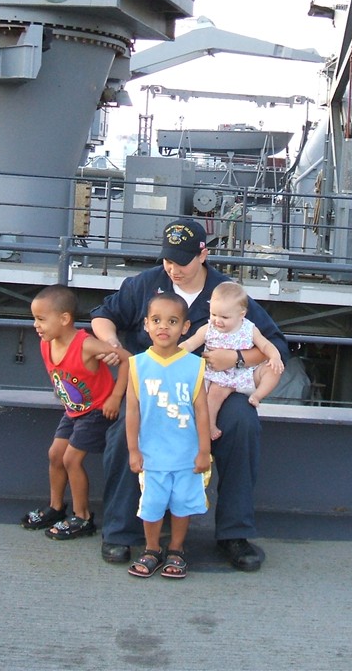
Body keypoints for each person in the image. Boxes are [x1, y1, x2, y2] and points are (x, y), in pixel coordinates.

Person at [91, 218, 289, 572]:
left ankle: (234, 533)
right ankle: (120, 531)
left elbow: (275, 346)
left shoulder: (226, 292)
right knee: (124, 433)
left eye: (182, 262)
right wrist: (112, 343)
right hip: (155, 388)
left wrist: (237, 358)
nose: (173, 269)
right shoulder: (145, 284)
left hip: (213, 384)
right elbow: (104, 315)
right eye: (168, 260)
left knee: (242, 423)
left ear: (203, 255)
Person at [20, 284, 130, 541]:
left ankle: (83, 517)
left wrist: (115, 397)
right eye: (34, 319)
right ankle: (56, 507)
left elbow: (128, 360)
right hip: (74, 411)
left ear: (64, 318)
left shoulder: (86, 345)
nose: (36, 325)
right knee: (55, 454)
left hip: (96, 412)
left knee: (71, 459)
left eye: (41, 319)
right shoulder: (46, 342)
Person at [125, 292, 211, 578]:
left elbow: (202, 411)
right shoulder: (137, 365)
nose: (164, 326)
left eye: (172, 321)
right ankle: (152, 548)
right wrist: (133, 450)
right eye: (157, 320)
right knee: (151, 504)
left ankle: (176, 548)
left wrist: (203, 450)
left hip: (187, 454)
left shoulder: (194, 365)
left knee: (182, 505)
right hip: (152, 455)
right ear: (146, 324)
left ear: (185, 327)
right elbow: (132, 411)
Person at [180, 281, 285, 440]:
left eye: (224, 317)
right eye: (213, 314)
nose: (217, 321)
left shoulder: (249, 329)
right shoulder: (208, 329)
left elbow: (265, 345)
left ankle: (257, 396)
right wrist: (177, 352)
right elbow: (191, 343)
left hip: (246, 374)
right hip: (219, 376)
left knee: (273, 370)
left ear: (241, 314)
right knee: (213, 396)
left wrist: (275, 357)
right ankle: (210, 424)